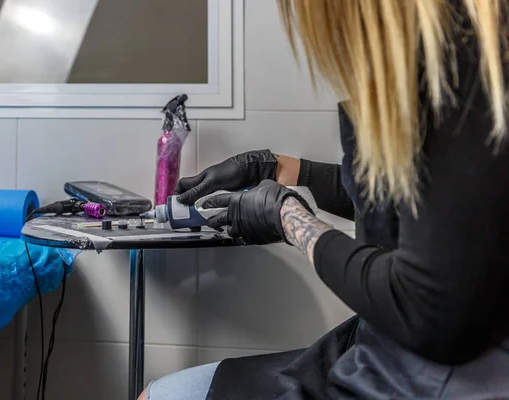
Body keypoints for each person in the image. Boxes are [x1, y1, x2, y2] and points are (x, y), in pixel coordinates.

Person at [140, 0, 509, 398]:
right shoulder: (430, 61)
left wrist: (289, 220)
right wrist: (276, 169)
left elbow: (427, 306)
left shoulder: (474, 69)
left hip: (436, 375)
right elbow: (427, 218)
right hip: (383, 348)